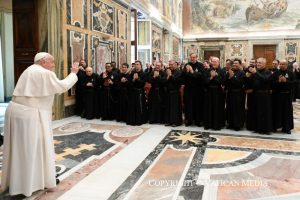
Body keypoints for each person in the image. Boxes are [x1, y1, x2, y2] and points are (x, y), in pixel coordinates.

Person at [1, 52, 79, 197]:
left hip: (16, 112)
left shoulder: (29, 70)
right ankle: (28, 185)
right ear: (44, 62)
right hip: (31, 115)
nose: (54, 65)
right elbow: (61, 86)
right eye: (52, 62)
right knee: (33, 148)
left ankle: (28, 181)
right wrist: (73, 73)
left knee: (20, 149)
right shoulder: (44, 73)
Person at [271, 59, 295, 134]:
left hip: (287, 96)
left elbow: (294, 84)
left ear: (287, 65)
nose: (281, 65)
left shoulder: (291, 73)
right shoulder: (275, 73)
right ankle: (275, 126)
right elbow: (271, 84)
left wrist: (286, 81)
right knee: (277, 111)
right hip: (277, 96)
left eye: (283, 64)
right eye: (280, 64)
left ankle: (287, 128)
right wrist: (278, 81)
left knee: (287, 112)